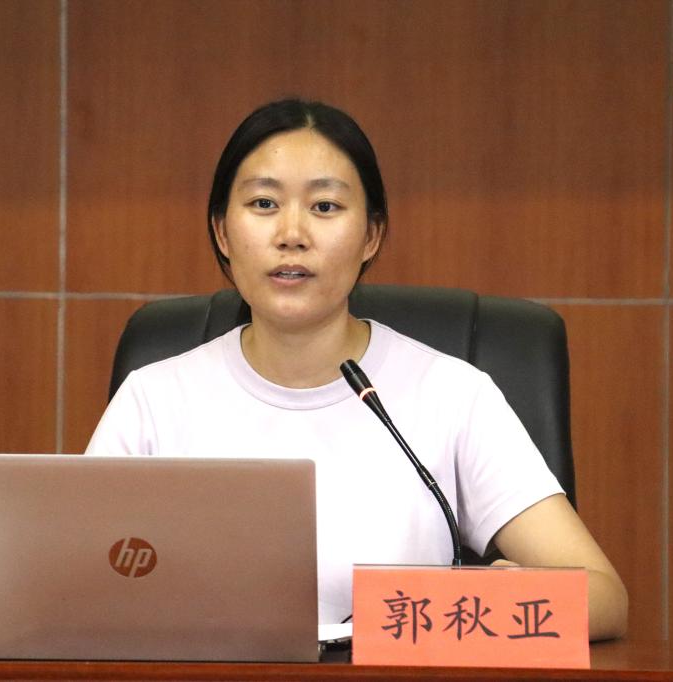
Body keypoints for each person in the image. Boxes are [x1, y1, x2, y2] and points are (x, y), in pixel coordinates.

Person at [87, 99, 628, 641]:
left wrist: (485, 603)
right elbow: (75, 593)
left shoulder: (452, 396)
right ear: (223, 232)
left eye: (325, 206)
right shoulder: (153, 400)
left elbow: (604, 599)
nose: (292, 233)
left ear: (371, 235)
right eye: (263, 203)